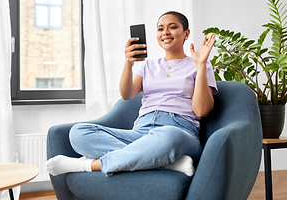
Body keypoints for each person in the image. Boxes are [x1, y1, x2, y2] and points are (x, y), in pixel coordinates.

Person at [47, 11, 218, 177]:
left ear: (186, 33)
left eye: (172, 27)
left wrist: (201, 64)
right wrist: (128, 64)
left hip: (178, 131)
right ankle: (163, 161)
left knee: (168, 137)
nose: (165, 32)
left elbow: (201, 110)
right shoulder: (148, 66)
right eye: (160, 29)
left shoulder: (199, 64)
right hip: (141, 131)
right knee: (78, 132)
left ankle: (87, 165)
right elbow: (127, 94)